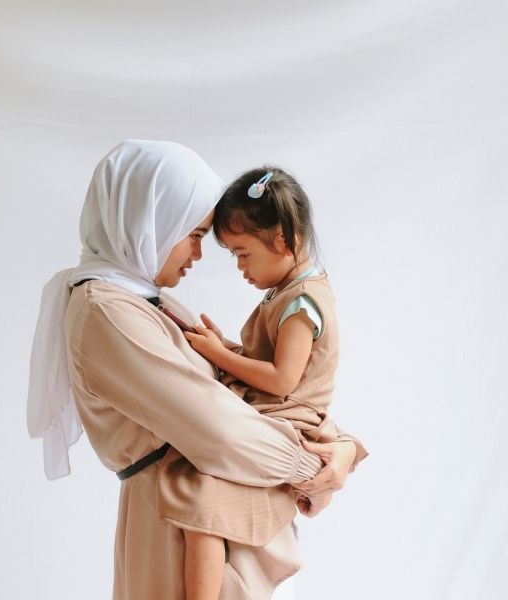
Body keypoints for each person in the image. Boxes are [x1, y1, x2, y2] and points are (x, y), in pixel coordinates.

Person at [27, 140, 364, 600]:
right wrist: (313, 467)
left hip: (205, 503)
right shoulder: (105, 312)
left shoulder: (147, 300)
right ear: (152, 220)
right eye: (195, 235)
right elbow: (219, 427)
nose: (198, 255)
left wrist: (338, 445)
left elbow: (245, 388)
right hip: (175, 518)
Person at [158, 166, 366, 599]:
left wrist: (218, 355)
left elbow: (281, 379)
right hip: (275, 411)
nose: (239, 267)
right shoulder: (288, 293)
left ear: (283, 241)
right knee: (202, 503)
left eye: (243, 253)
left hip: (289, 419)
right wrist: (227, 349)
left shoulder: (302, 303)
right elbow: (266, 363)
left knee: (204, 504)